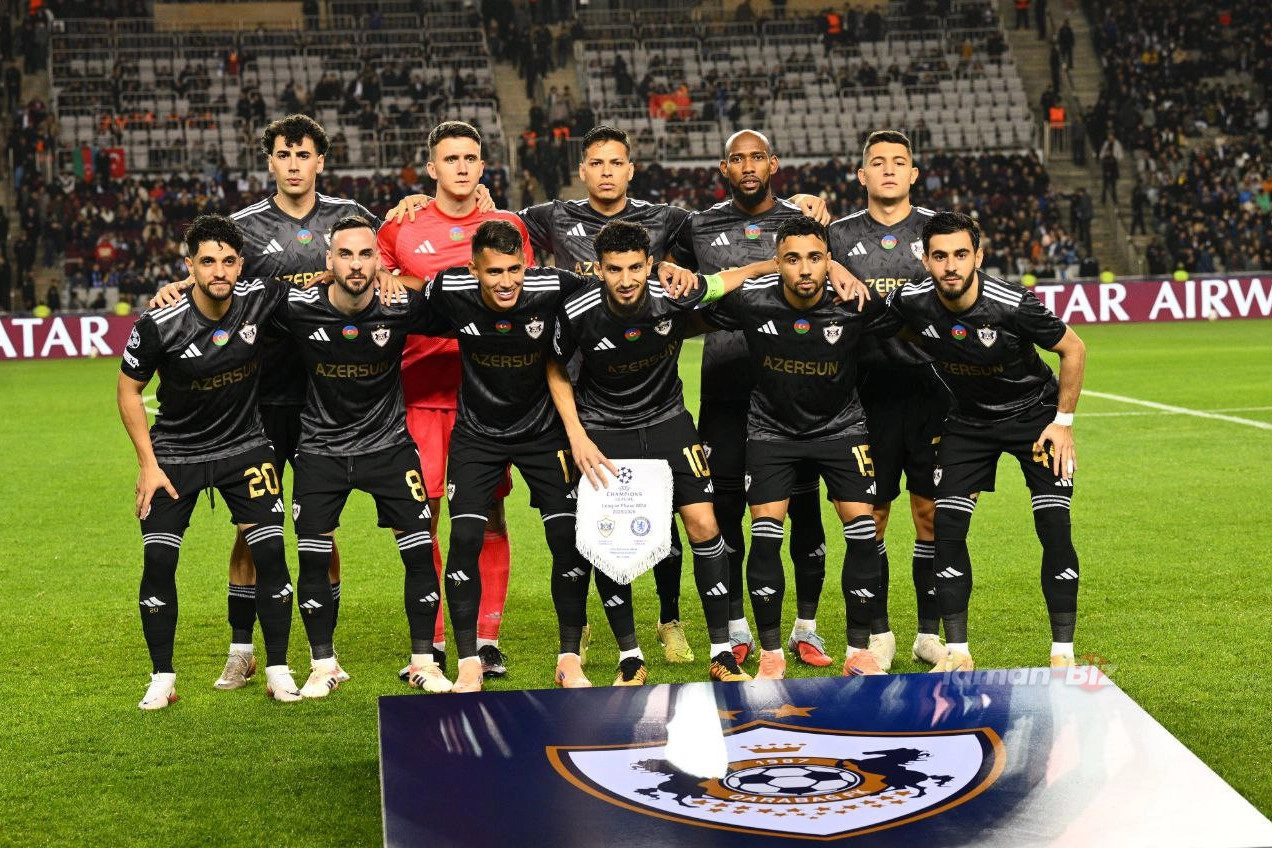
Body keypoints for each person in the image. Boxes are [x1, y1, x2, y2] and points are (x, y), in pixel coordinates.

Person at [422, 220, 647, 692]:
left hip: (544, 433)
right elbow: (395, 299)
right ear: (473, 270)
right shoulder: (449, 288)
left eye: (515, 270)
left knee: (567, 541)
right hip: (478, 436)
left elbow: (614, 289)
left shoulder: (553, 285)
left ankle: (569, 658)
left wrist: (667, 271)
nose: (506, 282)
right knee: (465, 537)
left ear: (526, 265)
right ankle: (468, 662)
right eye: (494, 272)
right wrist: (379, 275)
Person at [547, 219, 774, 685]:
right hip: (606, 429)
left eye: (635, 267)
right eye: (615, 269)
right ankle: (630, 657)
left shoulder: (671, 293)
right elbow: (555, 366)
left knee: (705, 524)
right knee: (611, 540)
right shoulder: (578, 309)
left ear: (650, 264)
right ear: (599, 269)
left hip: (669, 422)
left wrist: (769, 264)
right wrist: (577, 434)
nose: (626, 279)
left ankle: (721, 653)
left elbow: (723, 281)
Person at [880, 212, 1086, 670]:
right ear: (925, 260)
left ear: (978, 256)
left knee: (1054, 526)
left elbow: (1073, 348)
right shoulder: (912, 301)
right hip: (968, 421)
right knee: (947, 528)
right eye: (939, 256)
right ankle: (958, 652)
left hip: (1034, 418)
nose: (950, 265)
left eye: (960, 254)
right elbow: (877, 325)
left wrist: (1063, 422)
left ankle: (1063, 654)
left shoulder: (1013, 304)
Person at [669, 130, 840, 670]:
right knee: (726, 511)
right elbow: (675, 282)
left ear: (774, 164)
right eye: (738, 158)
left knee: (803, 511)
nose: (748, 166)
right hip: (725, 387)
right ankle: (738, 628)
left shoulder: (801, 220)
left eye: (757, 157)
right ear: (723, 167)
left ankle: (807, 628)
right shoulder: (697, 225)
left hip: (793, 390)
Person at [218, 114, 377, 690]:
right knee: (251, 526)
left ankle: (323, 653)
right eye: (283, 155)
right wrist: (176, 288)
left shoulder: (349, 219)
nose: (293, 164)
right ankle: (241, 650)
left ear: (320, 161)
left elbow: (388, 261)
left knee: (319, 527)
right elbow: (214, 282)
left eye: (303, 154)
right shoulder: (244, 227)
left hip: (323, 402)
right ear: (270, 162)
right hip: (258, 400)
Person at [118, 215, 300, 710]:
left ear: (241, 265)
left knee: (270, 553)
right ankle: (162, 677)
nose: (219, 271)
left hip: (245, 448)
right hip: (176, 454)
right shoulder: (159, 322)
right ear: (189, 266)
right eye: (207, 261)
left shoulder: (260, 298)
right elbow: (129, 391)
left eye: (228, 261)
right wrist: (148, 464)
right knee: (159, 559)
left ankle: (278, 670)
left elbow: (319, 287)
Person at [702, 215, 886, 679]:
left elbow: (913, 325)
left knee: (863, 533)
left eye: (815, 258)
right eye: (792, 259)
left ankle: (859, 651)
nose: (804, 269)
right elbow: (697, 299)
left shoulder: (855, 301)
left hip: (841, 428)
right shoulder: (753, 301)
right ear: (777, 263)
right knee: (766, 535)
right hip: (772, 432)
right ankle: (771, 655)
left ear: (829, 260)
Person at [376, 120, 526, 679]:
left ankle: (486, 639)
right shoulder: (401, 225)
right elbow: (370, 273)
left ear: (482, 167)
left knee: (488, 515)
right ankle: (434, 639)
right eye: (450, 158)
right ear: (431, 168)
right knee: (425, 515)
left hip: (486, 395)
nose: (461, 167)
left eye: (470, 158)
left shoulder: (506, 226)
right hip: (419, 393)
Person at [278, 215, 452, 697]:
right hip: (320, 452)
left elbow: (462, 300)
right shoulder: (297, 306)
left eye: (365, 254)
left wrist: (404, 279)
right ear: (328, 261)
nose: (356, 265)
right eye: (346, 255)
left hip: (389, 448)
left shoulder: (400, 305)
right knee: (313, 562)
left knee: (419, 554)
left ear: (379, 260)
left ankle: (424, 663)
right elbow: (233, 300)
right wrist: (181, 285)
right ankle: (323, 665)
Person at [826, 130, 945, 670]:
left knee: (930, 513)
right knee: (870, 516)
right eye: (878, 162)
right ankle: (878, 632)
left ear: (914, 174)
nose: (889, 169)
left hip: (931, 391)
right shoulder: (838, 235)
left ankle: (928, 633)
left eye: (899, 162)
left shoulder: (938, 230)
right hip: (862, 394)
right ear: (862, 175)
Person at [1099, 132, 1123, 205]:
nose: (1110, 139)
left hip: (1113, 172)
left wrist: (1117, 158)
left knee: (1113, 187)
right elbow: (1102, 154)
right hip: (1106, 172)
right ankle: (1103, 200)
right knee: (1105, 186)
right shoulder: (1106, 144)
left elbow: (1120, 154)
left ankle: (1115, 200)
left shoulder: (1117, 144)